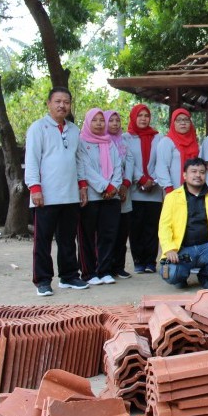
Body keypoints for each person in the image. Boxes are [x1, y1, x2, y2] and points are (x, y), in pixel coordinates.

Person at [25, 87, 89, 296]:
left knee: (68, 239)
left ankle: (69, 276)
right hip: (45, 196)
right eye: (58, 101)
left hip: (70, 194)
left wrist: (82, 186)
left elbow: (79, 160)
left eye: (66, 102)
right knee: (42, 241)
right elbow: (32, 160)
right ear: (49, 103)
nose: (62, 105)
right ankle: (43, 281)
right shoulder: (38, 128)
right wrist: (35, 188)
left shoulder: (73, 130)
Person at [157, 157, 208, 290]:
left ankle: (205, 275)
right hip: (182, 249)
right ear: (185, 175)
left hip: (207, 247)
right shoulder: (172, 197)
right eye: (194, 171)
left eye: (202, 172)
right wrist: (169, 248)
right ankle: (181, 276)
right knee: (170, 274)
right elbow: (164, 226)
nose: (198, 175)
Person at [77, 108, 123, 286]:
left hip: (111, 196)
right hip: (92, 195)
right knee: (87, 236)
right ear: (88, 122)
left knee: (108, 234)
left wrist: (114, 187)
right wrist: (105, 186)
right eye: (95, 120)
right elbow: (85, 168)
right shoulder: (82, 142)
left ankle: (104, 270)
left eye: (101, 120)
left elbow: (117, 166)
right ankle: (88, 272)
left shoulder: (109, 142)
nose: (99, 123)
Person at [123, 104, 163, 274]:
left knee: (152, 228)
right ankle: (138, 260)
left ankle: (150, 261)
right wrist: (141, 178)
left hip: (154, 191)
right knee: (136, 228)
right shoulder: (126, 138)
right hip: (135, 190)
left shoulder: (158, 138)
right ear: (133, 117)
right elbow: (127, 161)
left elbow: (161, 161)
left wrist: (151, 180)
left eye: (146, 115)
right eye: (140, 115)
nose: (143, 119)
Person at [104, 110, 134, 280]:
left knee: (123, 230)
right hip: (107, 192)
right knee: (109, 232)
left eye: (117, 120)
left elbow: (130, 162)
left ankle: (119, 266)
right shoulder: (102, 141)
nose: (115, 123)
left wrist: (125, 184)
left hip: (124, 191)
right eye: (111, 120)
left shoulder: (124, 142)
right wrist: (113, 186)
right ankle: (106, 267)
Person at [155, 108, 199, 194]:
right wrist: (168, 188)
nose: (183, 123)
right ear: (173, 123)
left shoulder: (194, 143)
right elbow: (162, 167)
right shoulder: (167, 142)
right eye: (178, 120)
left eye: (186, 120)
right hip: (173, 190)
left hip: (194, 191)